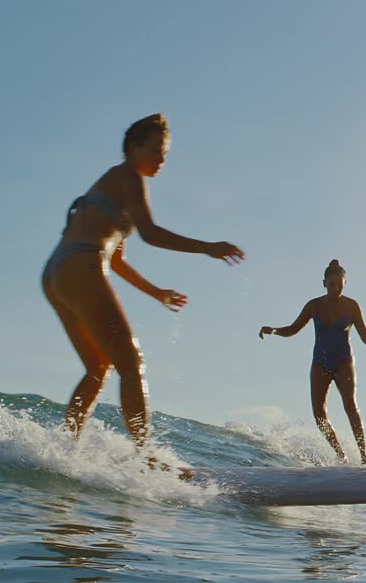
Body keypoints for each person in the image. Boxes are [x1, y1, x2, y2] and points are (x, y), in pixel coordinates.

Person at [41, 113, 245, 464]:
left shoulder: (113, 183)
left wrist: (156, 293)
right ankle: (146, 456)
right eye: (155, 150)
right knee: (131, 363)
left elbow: (116, 261)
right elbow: (150, 234)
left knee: (98, 366)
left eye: (164, 153)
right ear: (133, 147)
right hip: (82, 265)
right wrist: (207, 247)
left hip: (58, 273)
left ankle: (63, 449)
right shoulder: (129, 178)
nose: (162, 160)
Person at [259, 259, 366, 464]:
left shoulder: (352, 306)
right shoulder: (314, 306)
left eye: (340, 284)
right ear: (324, 283)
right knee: (319, 414)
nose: (336, 288)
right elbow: (292, 330)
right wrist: (274, 330)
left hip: (343, 361)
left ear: (346, 283)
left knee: (350, 406)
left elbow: (365, 336)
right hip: (320, 362)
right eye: (331, 284)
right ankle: (340, 454)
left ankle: (364, 457)